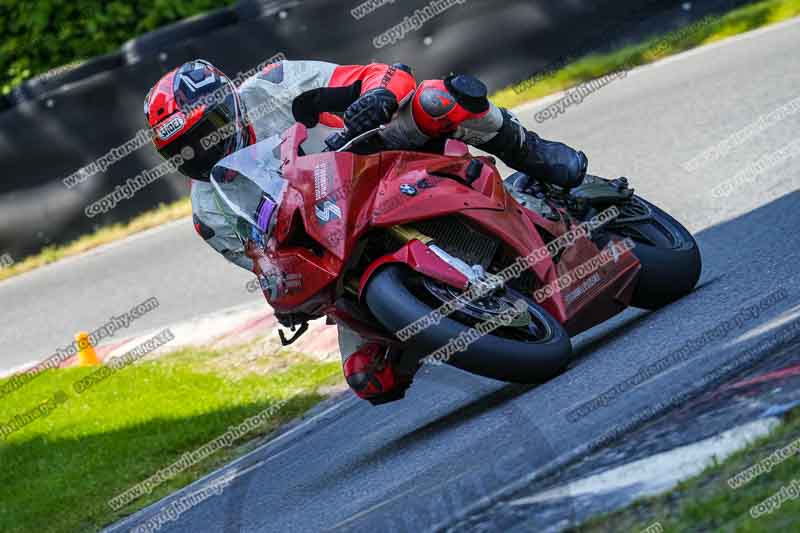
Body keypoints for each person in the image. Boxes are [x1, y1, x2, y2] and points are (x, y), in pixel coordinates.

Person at [144, 58, 588, 404]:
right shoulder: (209, 211)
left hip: (376, 156)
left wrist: (373, 98)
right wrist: (286, 297)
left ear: (230, 104)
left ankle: (529, 151)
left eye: (207, 131)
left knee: (436, 99)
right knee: (370, 378)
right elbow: (265, 261)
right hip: (335, 243)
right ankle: (461, 317)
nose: (199, 150)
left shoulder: (275, 85)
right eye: (182, 150)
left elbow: (384, 74)